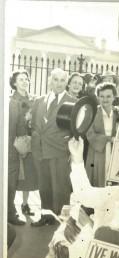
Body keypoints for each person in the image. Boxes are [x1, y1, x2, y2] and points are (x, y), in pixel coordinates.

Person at [31, 68, 77, 226]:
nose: (59, 83)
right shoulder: (39, 100)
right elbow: (35, 125)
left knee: (61, 186)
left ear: (67, 83)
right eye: (56, 79)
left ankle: (61, 219)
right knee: (43, 186)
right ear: (50, 81)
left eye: (62, 80)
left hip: (59, 150)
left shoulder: (73, 102)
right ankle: (46, 216)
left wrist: (68, 142)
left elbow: (76, 129)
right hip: (40, 150)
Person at [8, 69, 38, 225]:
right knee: (14, 176)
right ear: (14, 83)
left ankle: (25, 204)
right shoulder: (11, 100)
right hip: (15, 143)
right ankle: (10, 209)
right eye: (21, 79)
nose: (24, 81)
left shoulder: (34, 99)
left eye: (26, 79)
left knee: (28, 175)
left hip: (29, 141)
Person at [86, 82, 119, 187]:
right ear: (98, 97)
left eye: (108, 96)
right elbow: (89, 134)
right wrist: (109, 139)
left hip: (115, 151)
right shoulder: (92, 112)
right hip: (97, 152)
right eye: (102, 96)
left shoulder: (118, 113)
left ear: (114, 97)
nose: (105, 99)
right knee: (99, 182)